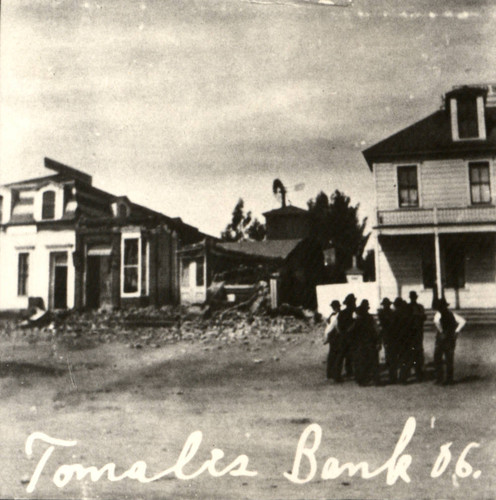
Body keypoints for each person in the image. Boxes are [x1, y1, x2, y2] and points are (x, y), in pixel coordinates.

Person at [433, 298, 466, 385]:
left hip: (442, 338)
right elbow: (463, 321)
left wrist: (441, 331)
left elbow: (436, 322)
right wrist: (456, 331)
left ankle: (440, 378)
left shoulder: (438, 314)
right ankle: (449, 379)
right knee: (449, 358)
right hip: (450, 337)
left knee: (438, 357)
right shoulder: (452, 314)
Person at [352, 299, 381, 386]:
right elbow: (377, 331)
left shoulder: (357, 321)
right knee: (373, 361)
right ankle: (376, 380)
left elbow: (353, 333)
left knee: (362, 361)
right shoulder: (370, 319)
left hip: (361, 344)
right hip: (370, 342)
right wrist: (378, 341)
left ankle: (362, 380)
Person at [330, 293, 356, 382]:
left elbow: (339, 326)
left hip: (343, 337)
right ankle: (347, 373)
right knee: (348, 356)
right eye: (353, 302)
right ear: (351, 303)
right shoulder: (353, 313)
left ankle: (337, 375)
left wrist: (342, 333)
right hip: (349, 337)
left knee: (342, 356)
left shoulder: (342, 313)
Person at [392, 297, 413, 384]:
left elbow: (392, 327)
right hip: (406, 338)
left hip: (397, 339)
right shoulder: (407, 314)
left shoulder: (394, 314)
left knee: (399, 358)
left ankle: (399, 377)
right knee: (405, 358)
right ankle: (403, 377)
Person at [408, 291, 426, 382]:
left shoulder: (420, 307)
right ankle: (414, 371)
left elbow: (424, 317)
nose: (413, 299)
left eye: (414, 297)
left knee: (417, 351)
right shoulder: (408, 307)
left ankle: (418, 372)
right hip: (410, 333)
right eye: (412, 297)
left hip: (417, 332)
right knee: (412, 351)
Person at [378, 297, 395, 383]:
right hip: (390, 335)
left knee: (389, 353)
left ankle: (391, 374)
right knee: (391, 354)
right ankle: (392, 374)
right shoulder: (391, 313)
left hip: (387, 335)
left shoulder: (382, 313)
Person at [323, 300, 341, 379]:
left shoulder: (332, 315)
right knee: (337, 355)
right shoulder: (338, 315)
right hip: (336, 336)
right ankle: (335, 374)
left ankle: (330, 373)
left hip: (331, 336)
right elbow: (337, 327)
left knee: (332, 355)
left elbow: (328, 323)